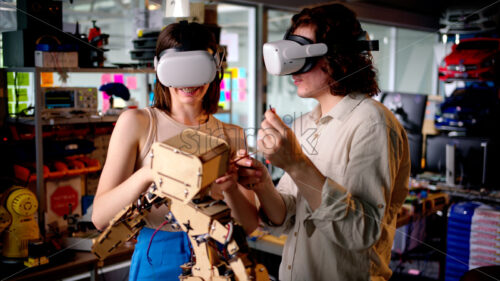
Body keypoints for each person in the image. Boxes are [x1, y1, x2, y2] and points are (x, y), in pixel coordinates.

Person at [236, 4, 410, 281]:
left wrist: (294, 163)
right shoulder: (304, 123)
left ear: (338, 56)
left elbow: (361, 232)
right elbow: (286, 217)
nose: (291, 68)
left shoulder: (372, 123)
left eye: (300, 55)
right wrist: (262, 183)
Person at [92, 22, 258, 281]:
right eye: (178, 70)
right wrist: (150, 173)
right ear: (159, 68)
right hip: (156, 255)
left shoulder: (232, 134)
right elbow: (101, 217)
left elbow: (247, 225)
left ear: (215, 67)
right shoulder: (137, 123)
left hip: (216, 256)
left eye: (197, 69)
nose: (188, 82)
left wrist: (230, 188)